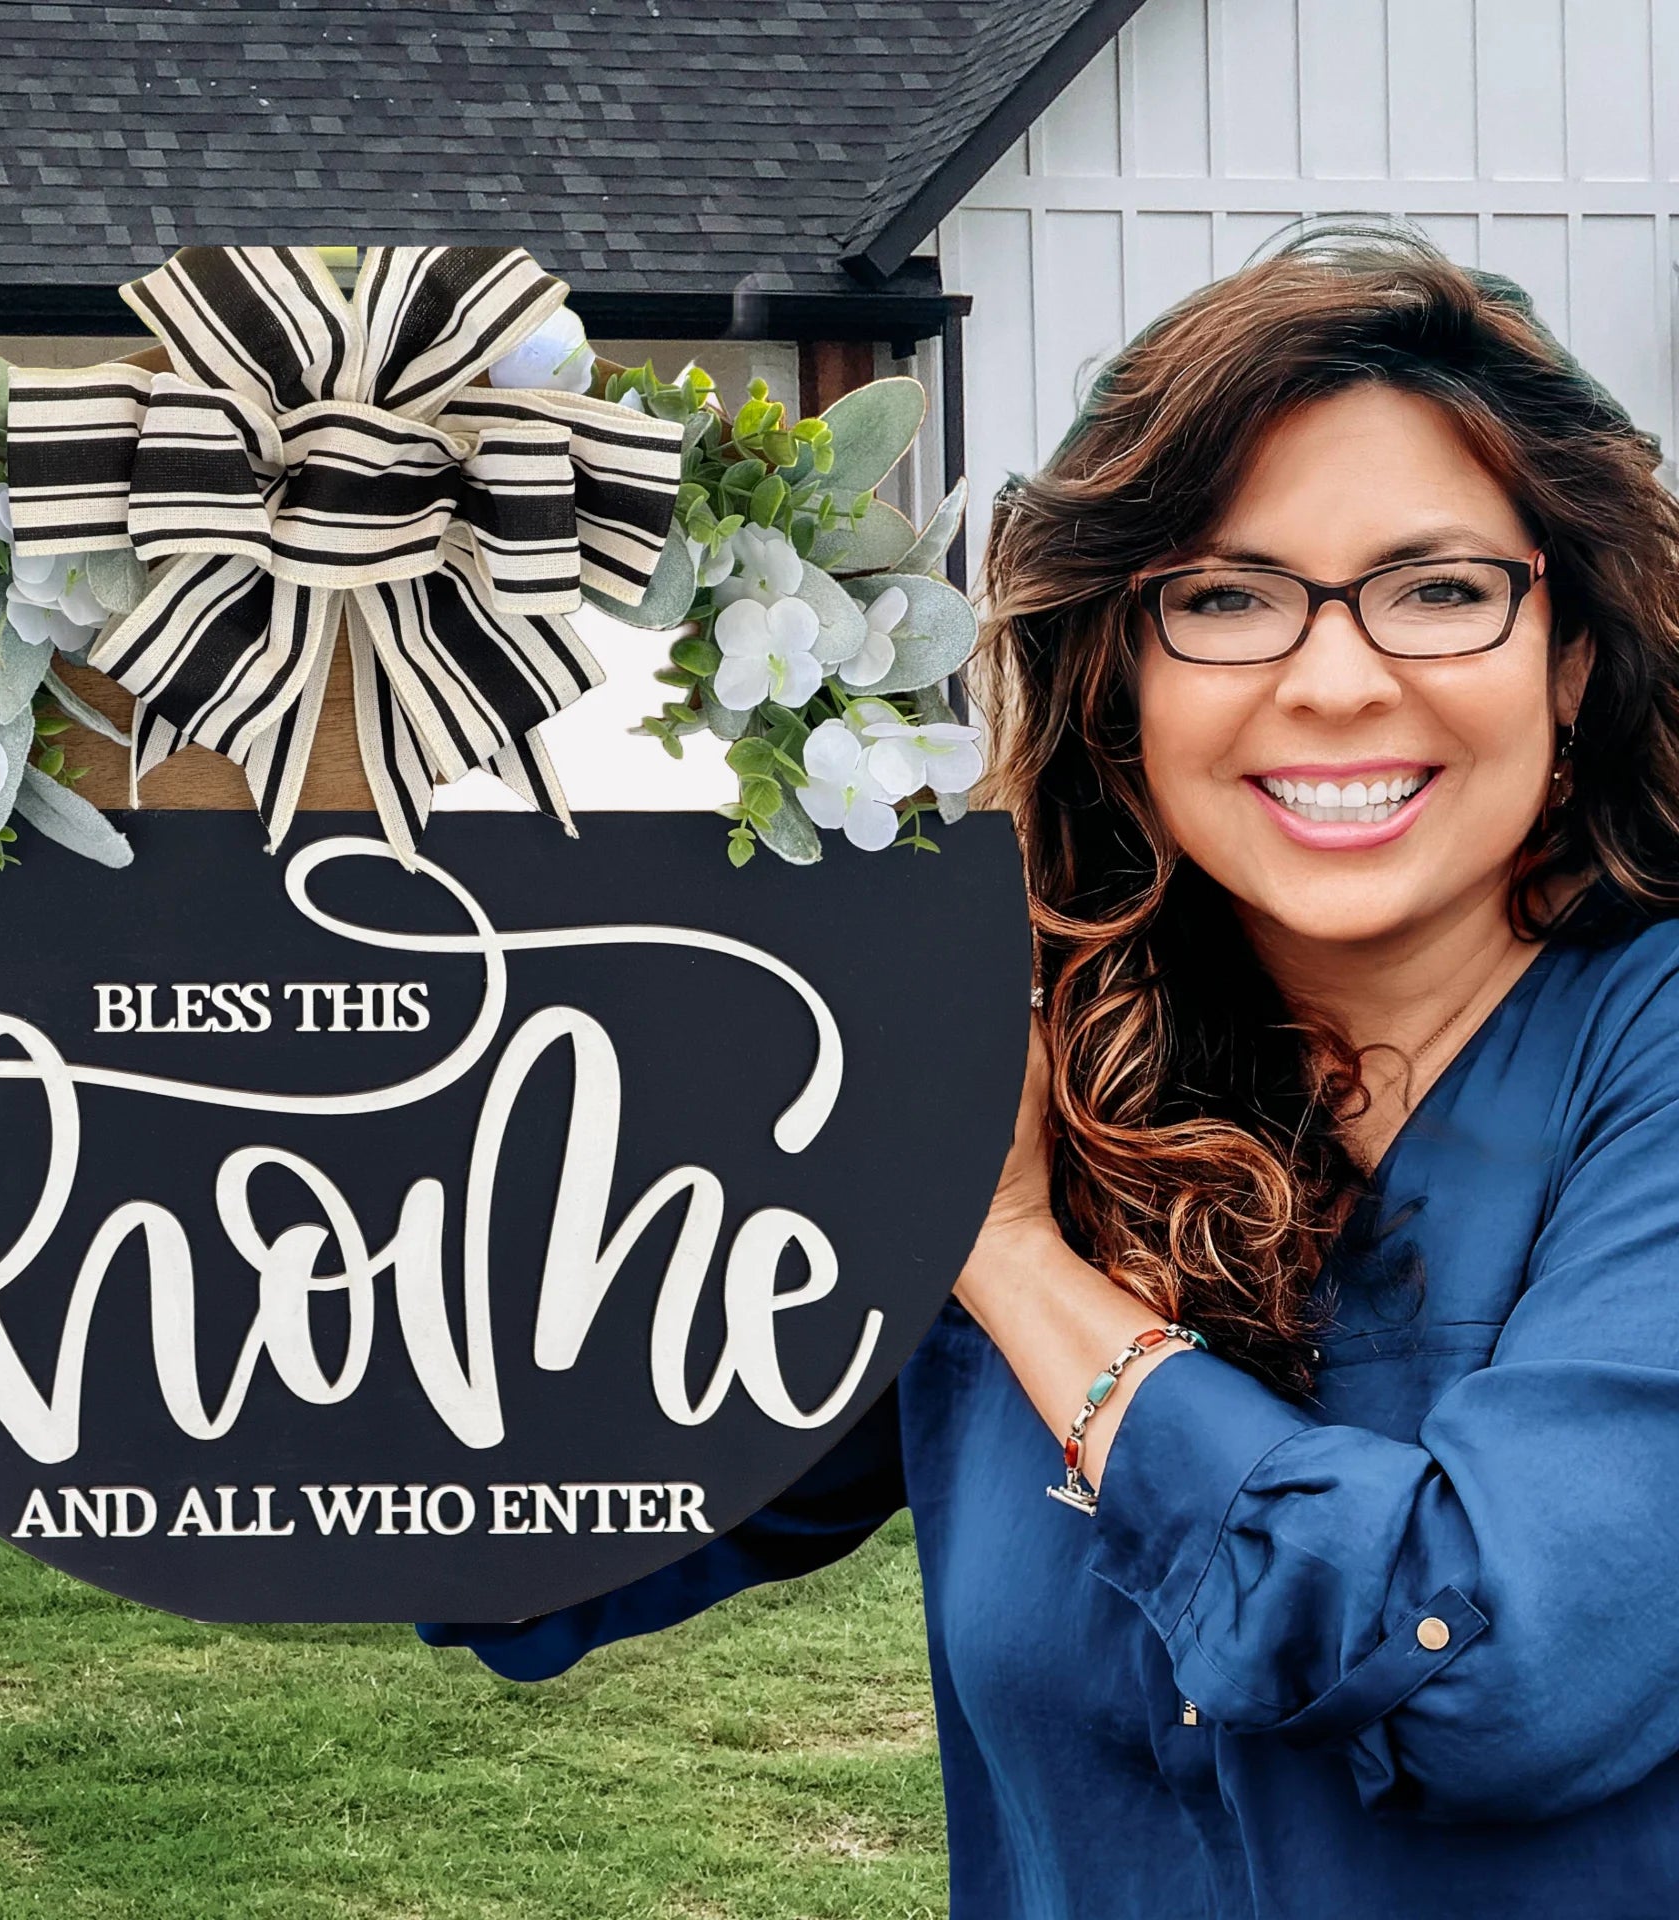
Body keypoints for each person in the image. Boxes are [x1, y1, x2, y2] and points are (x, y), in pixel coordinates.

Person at [423, 229, 1679, 1916]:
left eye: (1439, 588)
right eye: (1224, 598)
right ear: (1122, 681)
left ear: (1572, 654)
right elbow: (542, 1535)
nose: (1333, 679)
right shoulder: (1036, 1061)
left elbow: (1492, 1674)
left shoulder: (1641, 1062)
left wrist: (1017, 1259)